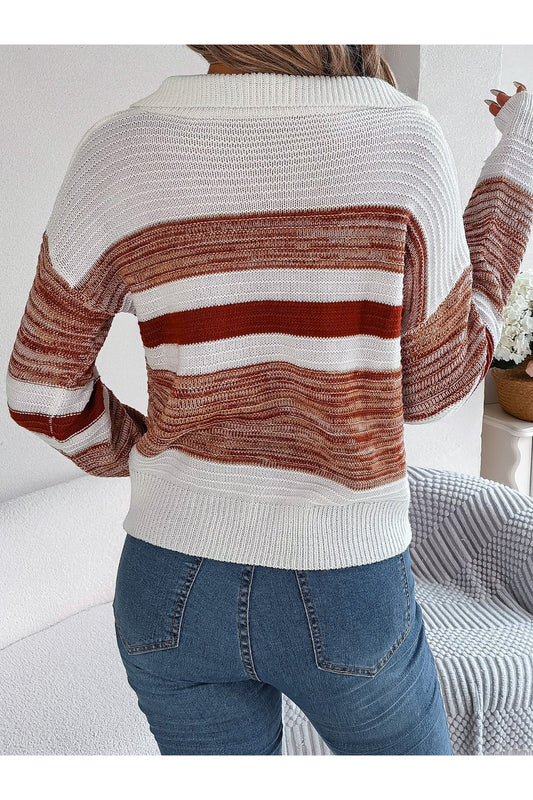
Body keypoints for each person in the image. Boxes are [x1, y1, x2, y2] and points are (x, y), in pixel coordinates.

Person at [6, 45, 533, 756]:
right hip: (347, 584)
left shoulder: (117, 150)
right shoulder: (403, 138)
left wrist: (155, 462)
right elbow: (436, 385)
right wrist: (519, 157)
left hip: (168, 583)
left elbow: (41, 389)